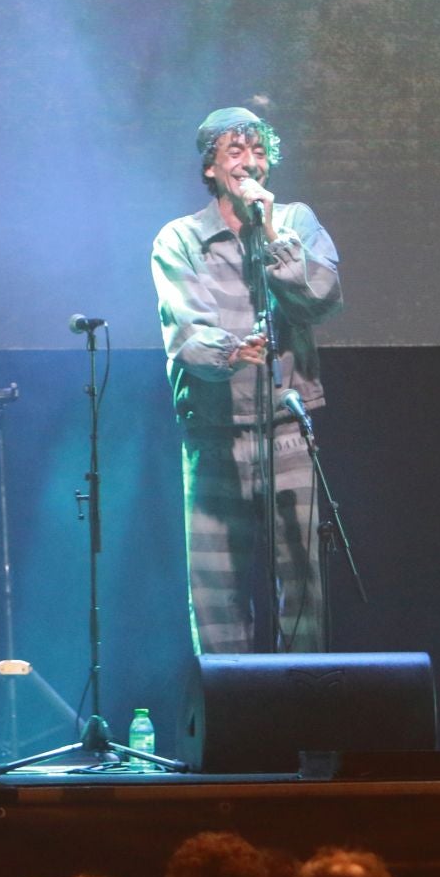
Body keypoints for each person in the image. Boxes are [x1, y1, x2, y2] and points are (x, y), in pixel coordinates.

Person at [152, 105, 343, 654]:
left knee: (304, 586)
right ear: (211, 167)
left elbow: (321, 299)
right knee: (218, 596)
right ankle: (230, 725)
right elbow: (188, 334)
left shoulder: (297, 221)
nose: (250, 163)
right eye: (235, 152)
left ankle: (306, 721)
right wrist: (236, 350)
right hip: (214, 434)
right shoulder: (181, 238)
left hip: (287, 427)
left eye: (258, 152)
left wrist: (276, 234)